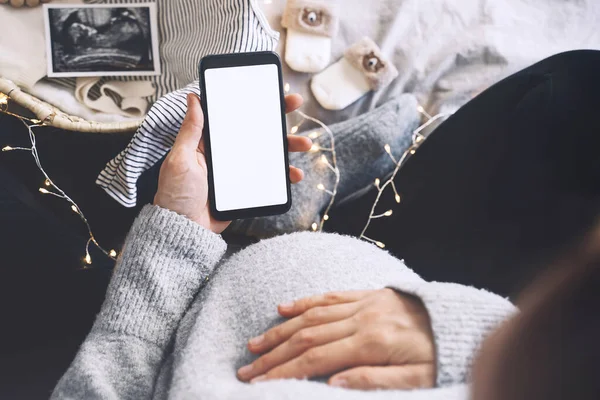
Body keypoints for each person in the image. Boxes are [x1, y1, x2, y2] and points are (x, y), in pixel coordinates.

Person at [51, 50, 600, 400]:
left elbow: (99, 388)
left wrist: (179, 232)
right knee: (577, 90)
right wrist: (472, 336)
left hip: (204, 284)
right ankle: (348, 204)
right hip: (445, 301)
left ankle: (325, 212)